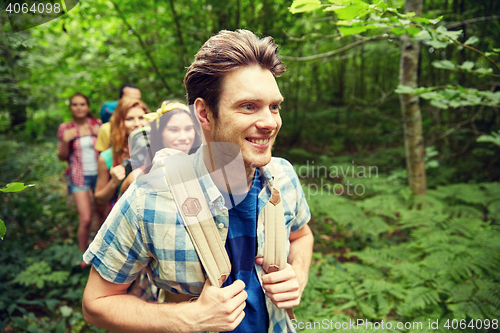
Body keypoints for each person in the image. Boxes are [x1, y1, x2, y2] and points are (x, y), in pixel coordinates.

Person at [82, 30, 313, 333]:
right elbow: (96, 303)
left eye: (274, 106)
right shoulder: (149, 195)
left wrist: (297, 275)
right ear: (204, 113)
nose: (270, 122)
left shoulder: (282, 175)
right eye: (248, 106)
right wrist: (188, 318)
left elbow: (301, 236)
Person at [57, 93, 107, 253]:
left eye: (82, 104)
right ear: (70, 107)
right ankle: (81, 256)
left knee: (103, 215)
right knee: (85, 219)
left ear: (88, 107)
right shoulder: (65, 128)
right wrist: (65, 141)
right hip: (79, 177)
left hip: (100, 175)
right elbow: (62, 157)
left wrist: (101, 135)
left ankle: (102, 251)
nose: (79, 108)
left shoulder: (98, 125)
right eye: (75, 105)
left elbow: (108, 152)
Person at [119, 100, 201, 196]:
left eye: (188, 129)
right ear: (159, 133)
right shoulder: (137, 178)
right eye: (174, 130)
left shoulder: (207, 170)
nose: (183, 137)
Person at [94, 96, 149, 208]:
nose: (137, 123)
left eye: (141, 117)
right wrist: (114, 182)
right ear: (119, 123)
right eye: (129, 119)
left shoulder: (157, 149)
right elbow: (99, 198)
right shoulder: (107, 157)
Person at [95, 84, 142, 152]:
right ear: (119, 101)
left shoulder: (147, 124)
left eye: (138, 100)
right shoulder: (106, 129)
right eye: (129, 99)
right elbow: (103, 158)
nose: (134, 102)